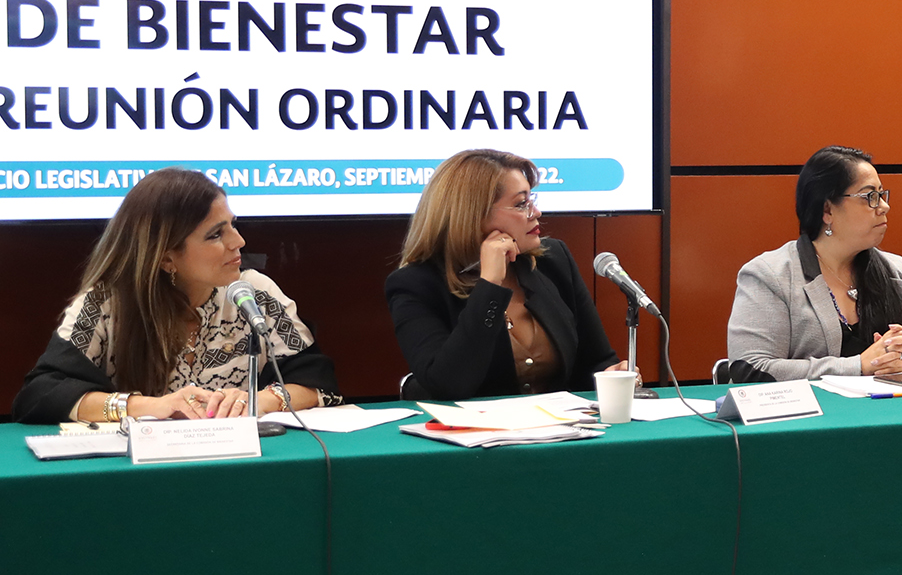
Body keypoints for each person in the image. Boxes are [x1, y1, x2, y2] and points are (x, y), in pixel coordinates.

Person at [14, 167, 336, 424]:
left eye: (232, 225)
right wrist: (150, 406)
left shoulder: (253, 292)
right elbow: (41, 394)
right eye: (216, 234)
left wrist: (259, 400)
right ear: (166, 257)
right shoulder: (105, 303)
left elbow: (318, 384)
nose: (238, 241)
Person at [387, 149, 628, 399]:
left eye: (531, 200)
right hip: (476, 423)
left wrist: (613, 373)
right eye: (521, 204)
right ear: (473, 215)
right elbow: (448, 384)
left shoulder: (553, 261)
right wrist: (490, 285)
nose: (536, 213)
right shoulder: (415, 285)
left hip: (563, 421)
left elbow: (596, 361)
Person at [727, 145, 902, 381]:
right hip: (811, 406)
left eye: (881, 195)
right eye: (870, 197)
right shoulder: (770, 275)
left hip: (887, 405)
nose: (884, 207)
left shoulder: (898, 272)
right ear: (827, 210)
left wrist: (899, 365)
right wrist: (858, 366)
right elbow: (750, 368)